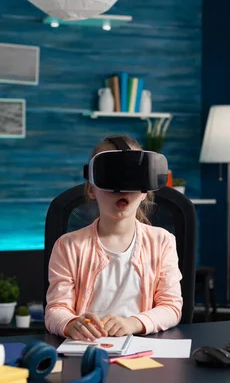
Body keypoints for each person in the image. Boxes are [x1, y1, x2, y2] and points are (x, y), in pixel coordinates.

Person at [45, 135, 183, 340]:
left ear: (145, 191)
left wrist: (132, 323)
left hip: (142, 349)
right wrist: (71, 324)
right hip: (88, 348)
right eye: (112, 179)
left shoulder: (162, 242)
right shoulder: (68, 246)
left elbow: (171, 307)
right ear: (92, 189)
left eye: (133, 180)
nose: (122, 190)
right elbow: (56, 310)